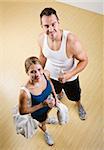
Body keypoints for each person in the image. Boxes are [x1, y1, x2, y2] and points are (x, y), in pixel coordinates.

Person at [38, 7, 88, 120]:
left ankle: (79, 104)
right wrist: (39, 72)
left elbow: (84, 60)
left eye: (53, 24)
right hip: (52, 76)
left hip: (69, 77)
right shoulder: (41, 39)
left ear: (58, 22)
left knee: (74, 95)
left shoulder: (71, 41)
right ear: (42, 26)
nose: (50, 29)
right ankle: (60, 94)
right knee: (56, 91)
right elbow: (42, 56)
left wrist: (69, 75)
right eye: (46, 26)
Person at [19, 56, 59, 146]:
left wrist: (55, 97)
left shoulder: (46, 74)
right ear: (27, 73)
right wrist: (42, 105)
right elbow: (22, 111)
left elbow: (51, 84)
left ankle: (47, 118)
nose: (37, 74)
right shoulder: (24, 92)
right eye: (32, 72)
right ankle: (46, 132)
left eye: (39, 69)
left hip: (48, 104)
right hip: (38, 111)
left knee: (46, 114)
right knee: (42, 122)